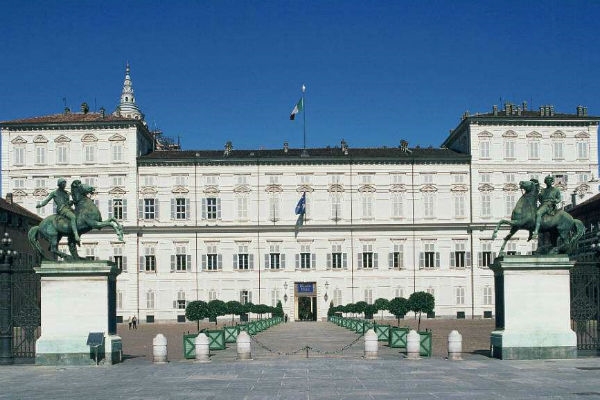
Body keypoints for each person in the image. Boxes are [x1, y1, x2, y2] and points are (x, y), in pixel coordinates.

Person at [37, 178, 80, 243]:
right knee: (73, 217)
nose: (65, 185)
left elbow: (68, 202)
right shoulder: (54, 193)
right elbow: (47, 200)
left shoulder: (66, 193)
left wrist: (71, 202)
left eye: (65, 183)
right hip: (62, 209)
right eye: (63, 183)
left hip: (68, 208)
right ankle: (76, 235)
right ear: (59, 184)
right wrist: (40, 205)